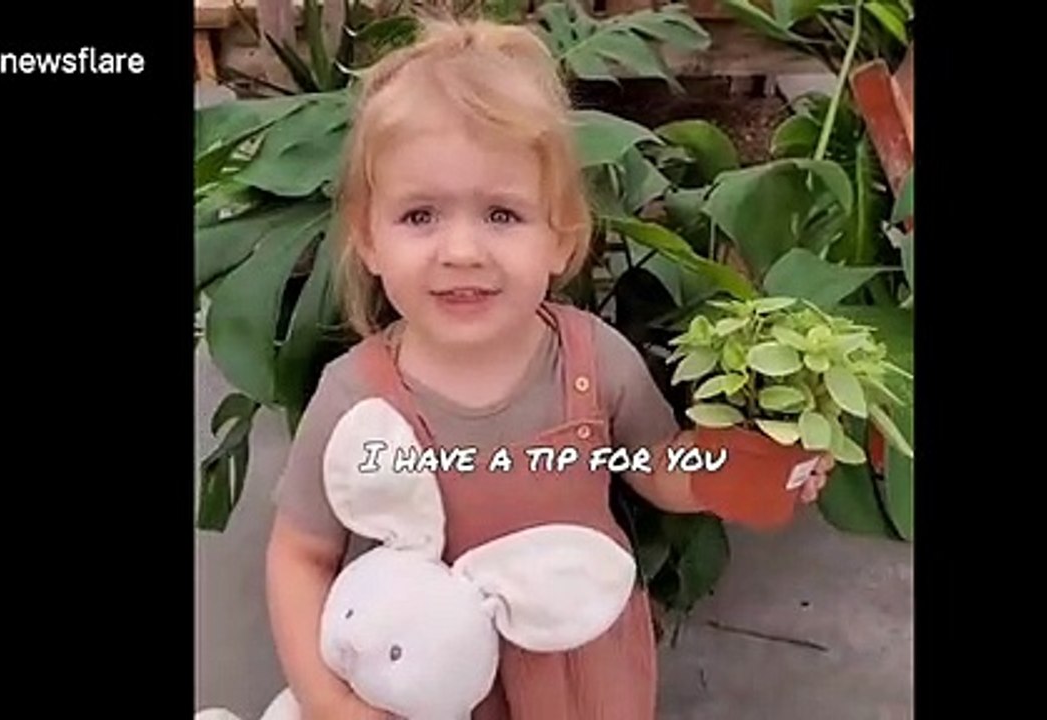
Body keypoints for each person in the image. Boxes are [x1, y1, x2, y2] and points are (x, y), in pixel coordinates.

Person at [264, 15, 832, 720]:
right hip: (425, 690)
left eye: (502, 215)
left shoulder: (592, 362)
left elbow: (656, 470)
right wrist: (328, 703)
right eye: (420, 216)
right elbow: (300, 556)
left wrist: (737, 470)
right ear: (368, 239)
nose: (462, 250)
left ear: (562, 236)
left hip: (582, 671)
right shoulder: (356, 396)